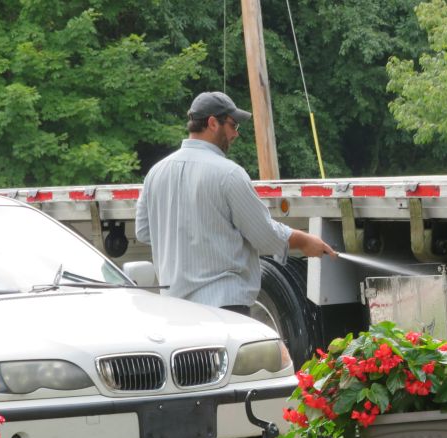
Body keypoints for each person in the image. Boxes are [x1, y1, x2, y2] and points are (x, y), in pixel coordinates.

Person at [136, 91, 335, 316]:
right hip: (224, 309)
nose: (235, 133)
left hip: (175, 311)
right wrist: (304, 240)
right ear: (212, 123)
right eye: (233, 125)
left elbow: (144, 232)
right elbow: (264, 235)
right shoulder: (228, 174)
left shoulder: (155, 173)